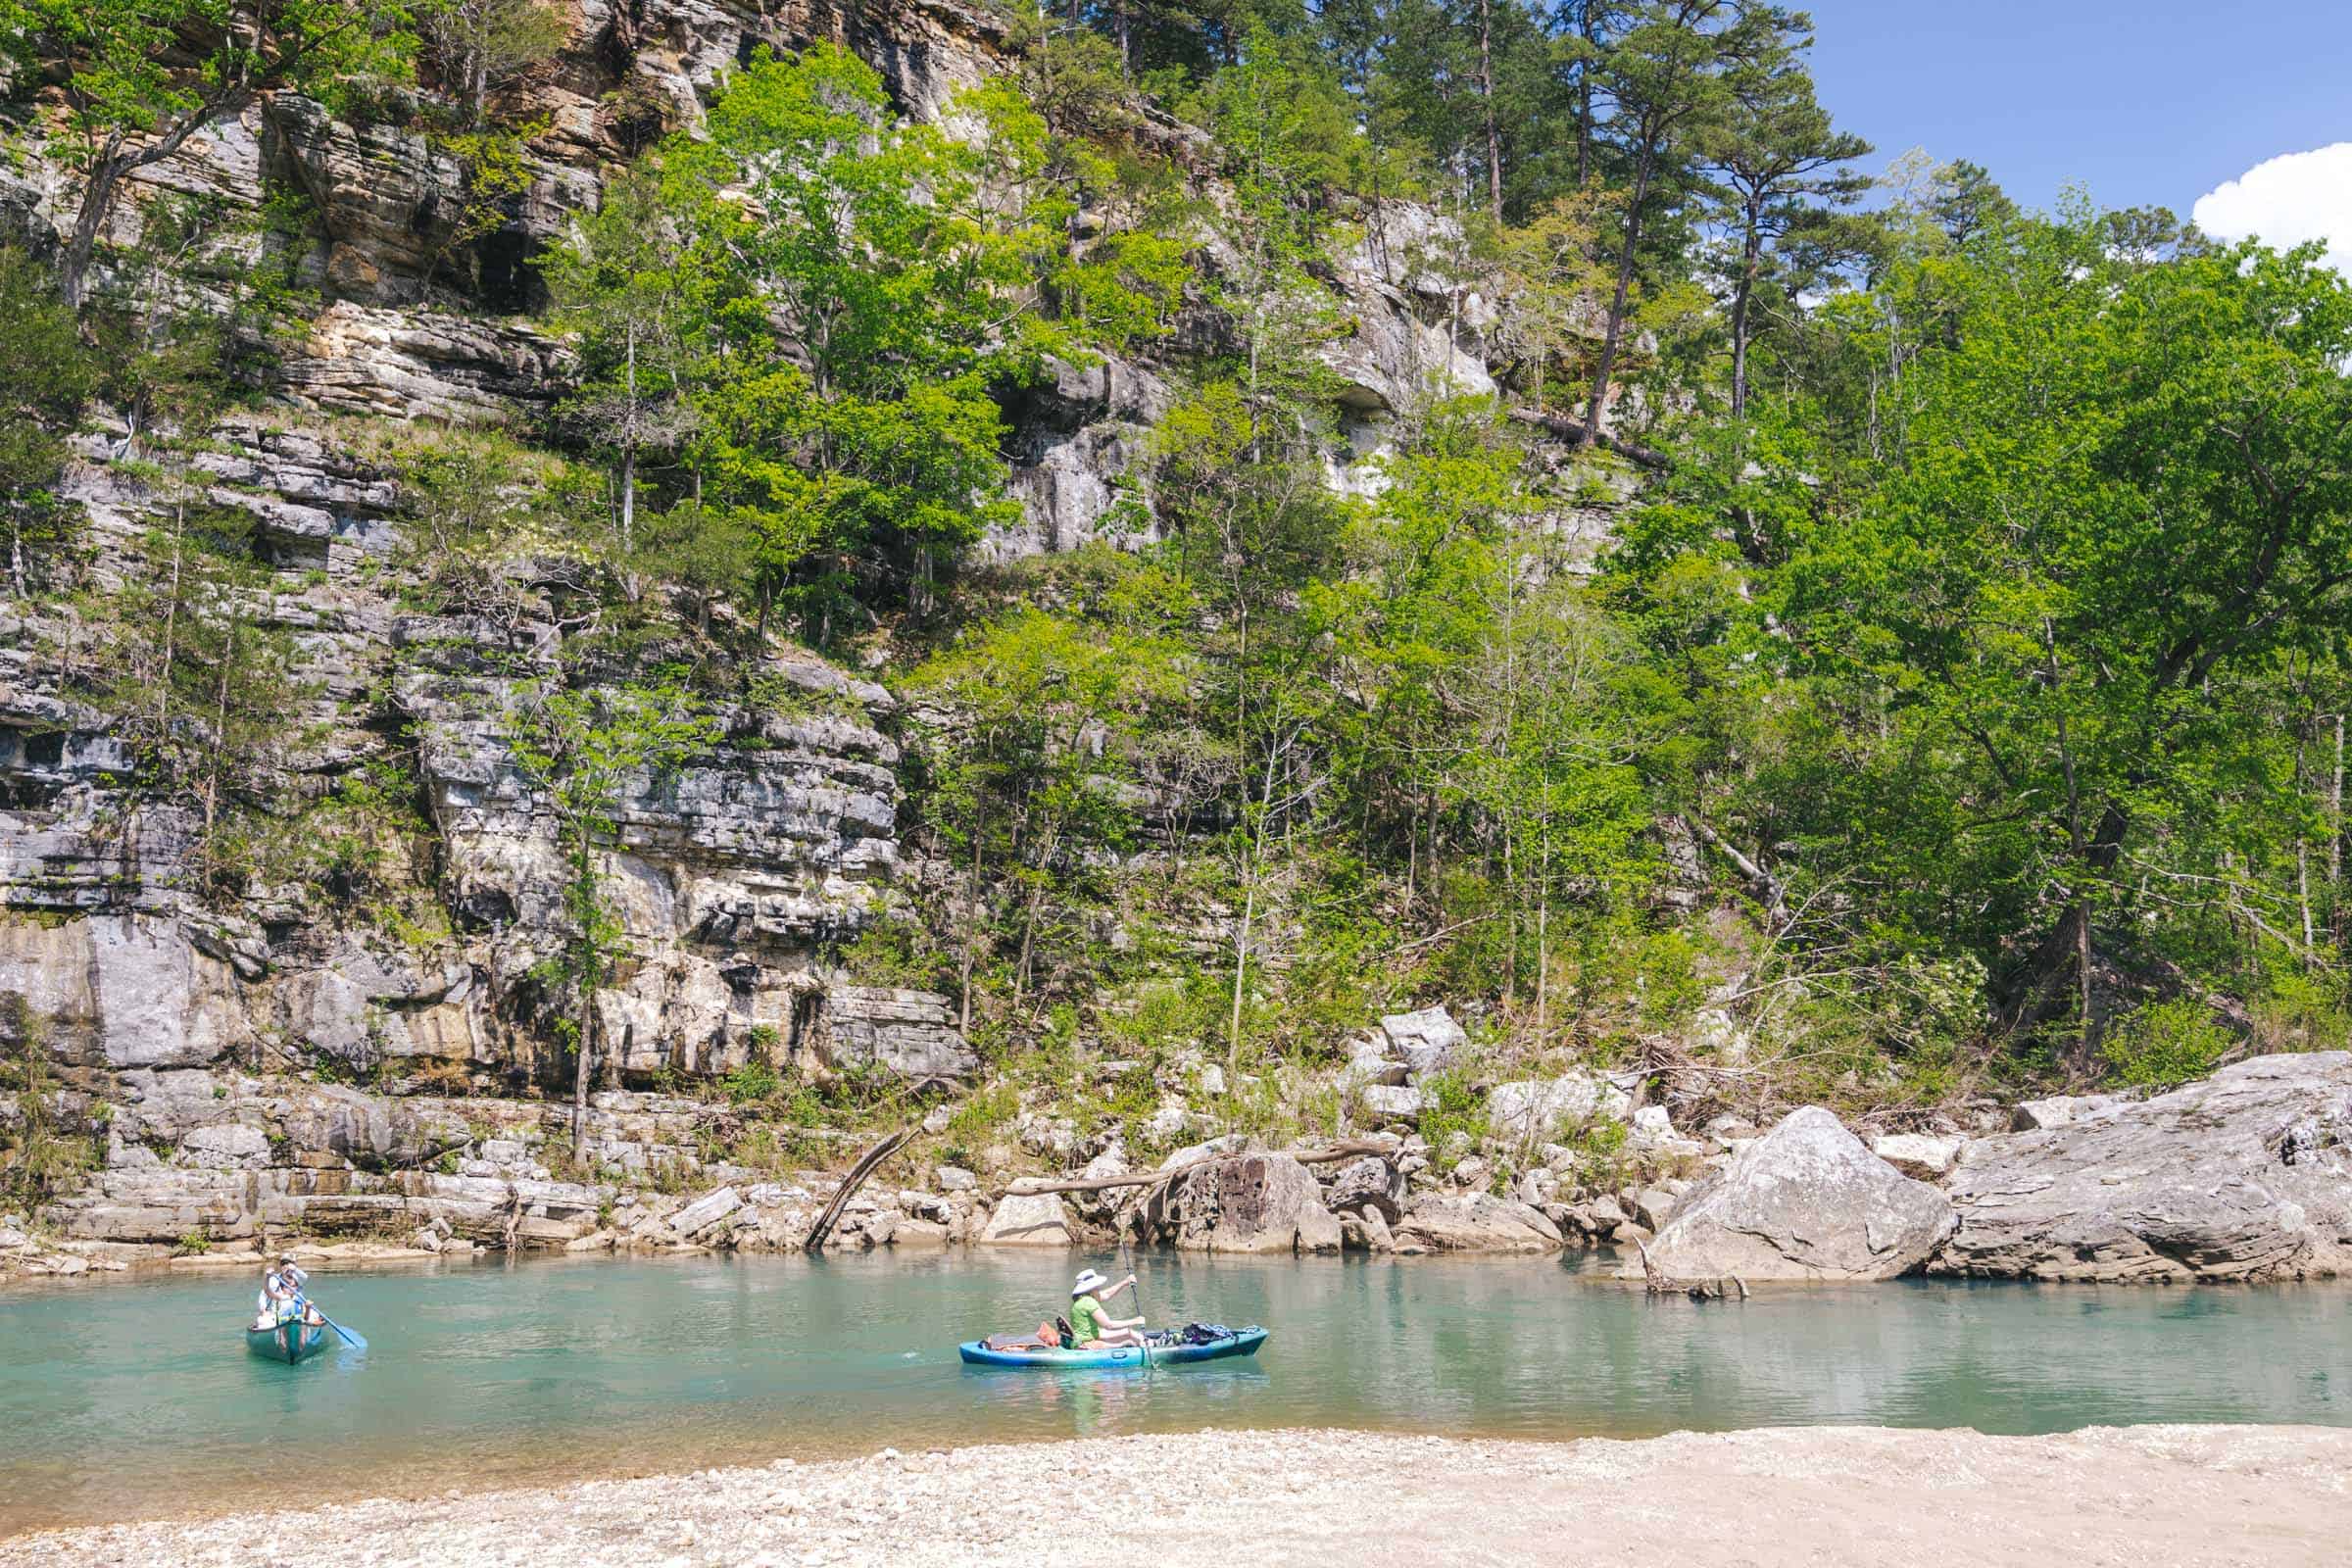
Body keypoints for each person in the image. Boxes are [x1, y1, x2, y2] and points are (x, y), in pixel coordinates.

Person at [1067, 1268, 1149, 1349]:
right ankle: (1152, 1345)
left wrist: (1125, 1282)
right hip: (1086, 1344)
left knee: (1125, 1332)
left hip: (1083, 1340)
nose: (1098, 1288)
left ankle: (1148, 1342)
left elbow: (1106, 1294)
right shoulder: (1089, 1302)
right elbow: (1108, 1325)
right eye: (1096, 1287)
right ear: (1091, 1289)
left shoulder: (1082, 1299)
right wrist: (1135, 1321)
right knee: (1129, 1335)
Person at [253, 1252, 318, 1332]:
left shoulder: (298, 1277)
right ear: (280, 1265)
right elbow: (264, 1294)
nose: (285, 1266)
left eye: (288, 1263)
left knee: (315, 1315)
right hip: (277, 1313)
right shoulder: (273, 1279)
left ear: (294, 1265)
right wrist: (263, 1310)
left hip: (299, 1311)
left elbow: (305, 1277)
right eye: (283, 1263)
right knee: (263, 1321)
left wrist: (295, 1269)